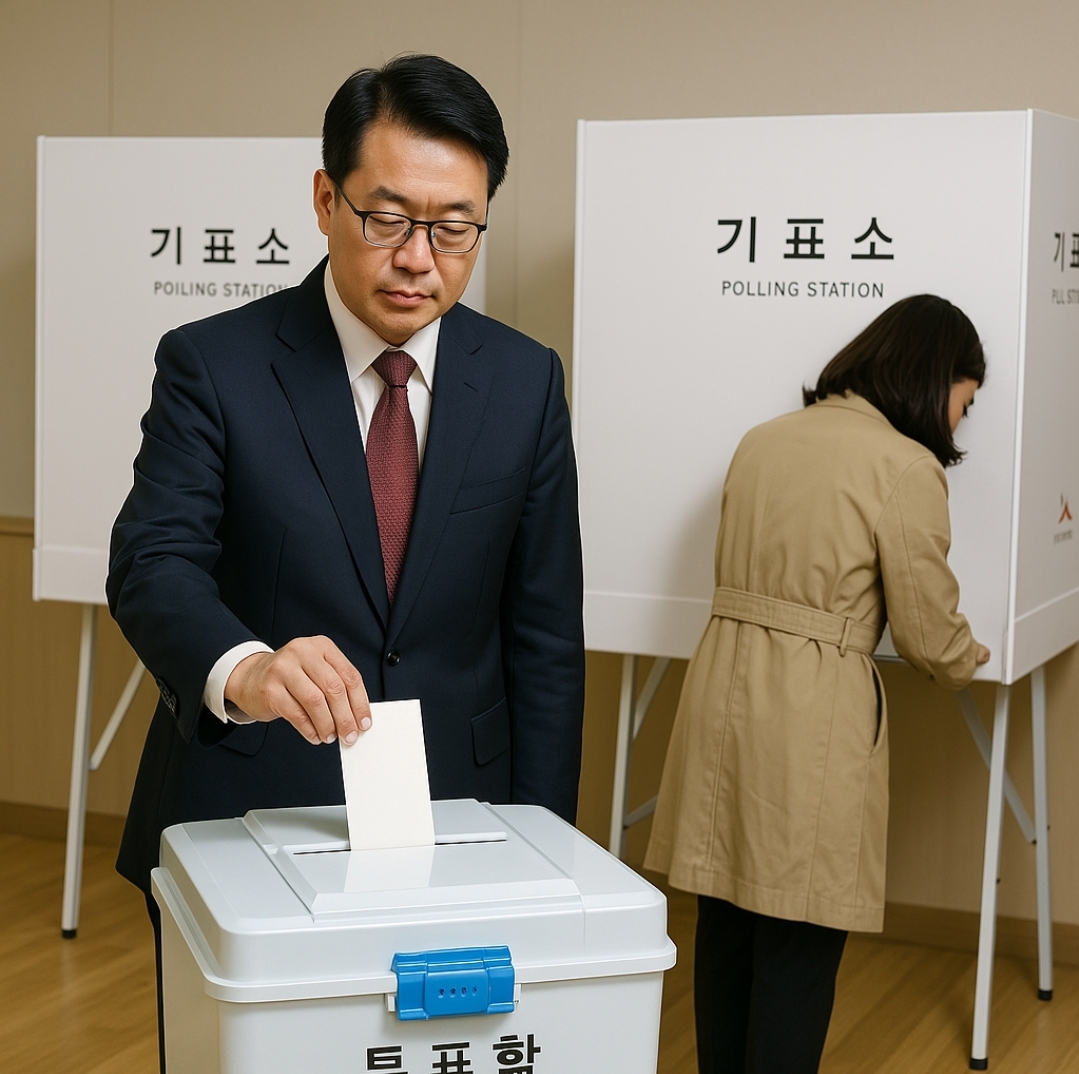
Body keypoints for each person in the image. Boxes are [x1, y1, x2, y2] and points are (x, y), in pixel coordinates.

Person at [107, 54, 584, 1069]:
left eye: (454, 227)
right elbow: (154, 561)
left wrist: (544, 851)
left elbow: (543, 636)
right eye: (388, 218)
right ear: (325, 201)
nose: (419, 259)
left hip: (460, 820)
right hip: (247, 815)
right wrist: (248, 667)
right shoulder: (214, 363)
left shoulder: (525, 380)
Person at [644, 294, 990, 1074]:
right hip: (809, 711)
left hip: (718, 690)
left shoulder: (763, 439)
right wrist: (965, 655)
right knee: (797, 941)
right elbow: (926, 631)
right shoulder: (904, 466)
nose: (959, 422)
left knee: (724, 928)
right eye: (964, 402)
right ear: (937, 377)